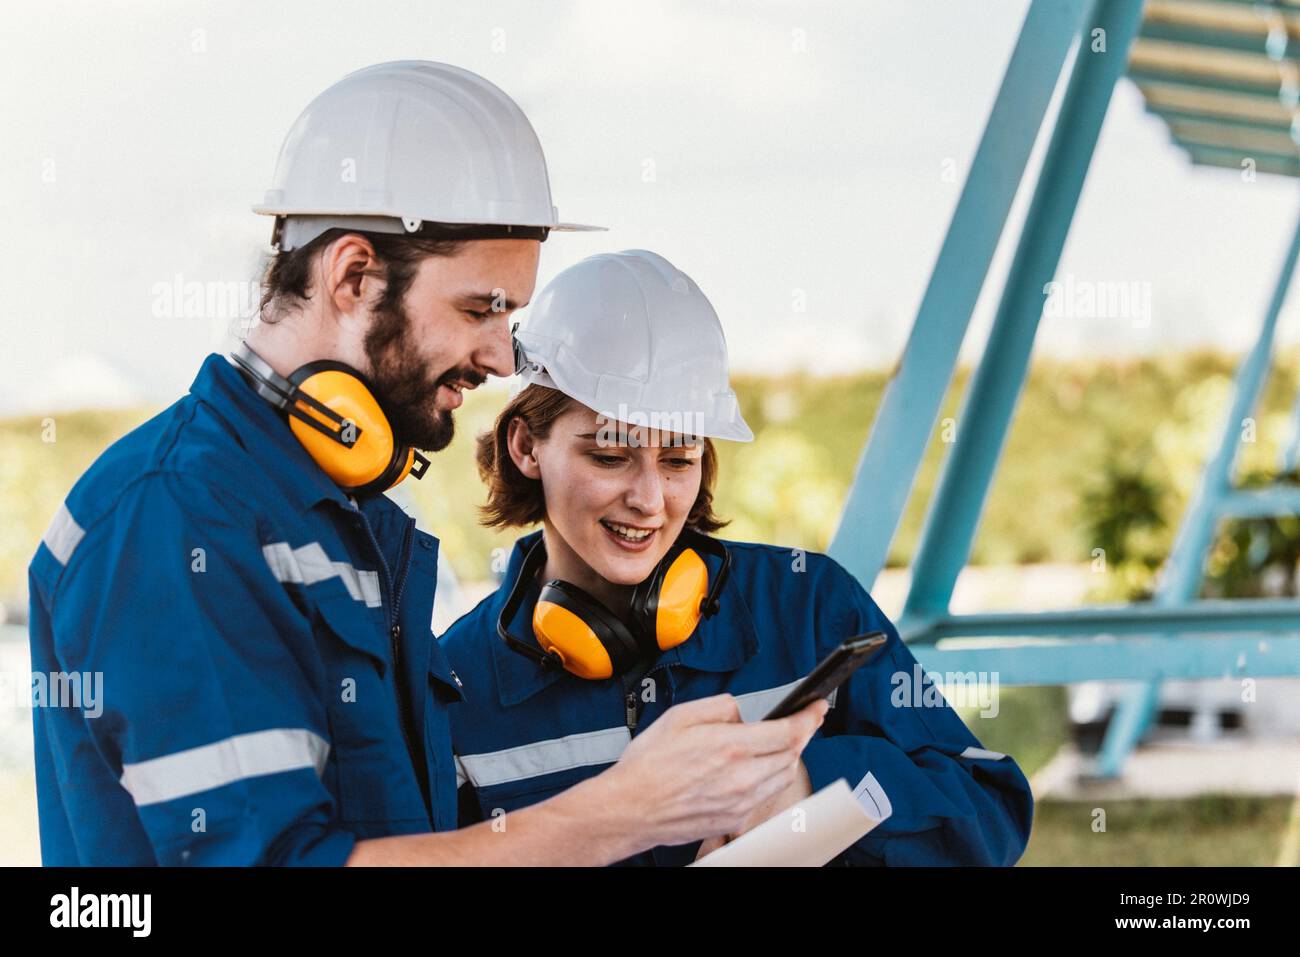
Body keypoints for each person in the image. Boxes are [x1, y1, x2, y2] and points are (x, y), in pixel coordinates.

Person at [26, 63, 826, 866]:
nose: (502, 354)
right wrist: (625, 810)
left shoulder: (344, 518)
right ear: (353, 276)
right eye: (482, 308)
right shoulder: (174, 517)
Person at [442, 249, 1035, 865]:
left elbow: (990, 809)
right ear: (525, 447)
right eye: (610, 457)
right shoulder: (456, 683)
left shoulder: (810, 609)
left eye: (678, 460)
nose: (649, 500)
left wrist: (809, 789)